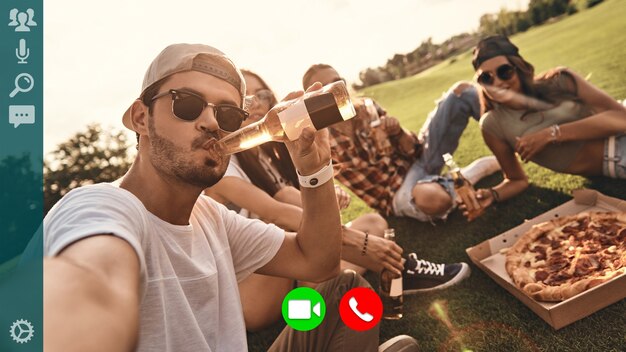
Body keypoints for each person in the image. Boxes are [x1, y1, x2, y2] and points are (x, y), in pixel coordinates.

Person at [42, 43, 396, 352]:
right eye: (188, 104)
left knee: (343, 288)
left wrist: (314, 170)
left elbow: (318, 262)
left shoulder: (210, 217)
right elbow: (92, 283)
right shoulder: (102, 207)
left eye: (228, 114)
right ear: (140, 117)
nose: (211, 122)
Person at [206, 69, 471, 331]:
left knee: (373, 223)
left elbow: (288, 197)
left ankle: (323, 296)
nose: (255, 104)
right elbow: (275, 212)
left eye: (261, 95)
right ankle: (400, 270)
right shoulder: (219, 165)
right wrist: (358, 241)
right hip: (252, 298)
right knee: (284, 226)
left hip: (289, 276)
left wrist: (321, 185)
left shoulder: (264, 155)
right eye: (244, 101)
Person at [301, 64, 501, 223]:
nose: (336, 89)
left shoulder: (366, 107)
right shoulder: (320, 138)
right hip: (395, 194)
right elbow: (317, 188)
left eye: (338, 82)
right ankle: (468, 174)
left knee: (461, 92)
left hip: (417, 162)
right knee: (433, 199)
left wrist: (397, 132)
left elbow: (413, 149)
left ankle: (509, 135)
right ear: (314, 98)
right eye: (326, 88)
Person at [462, 35, 626, 219]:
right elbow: (516, 180)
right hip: (616, 159)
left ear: (519, 68)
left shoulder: (560, 79)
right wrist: (493, 194)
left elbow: (622, 118)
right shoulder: (493, 125)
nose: (497, 82)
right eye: (486, 78)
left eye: (504, 71)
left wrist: (552, 134)